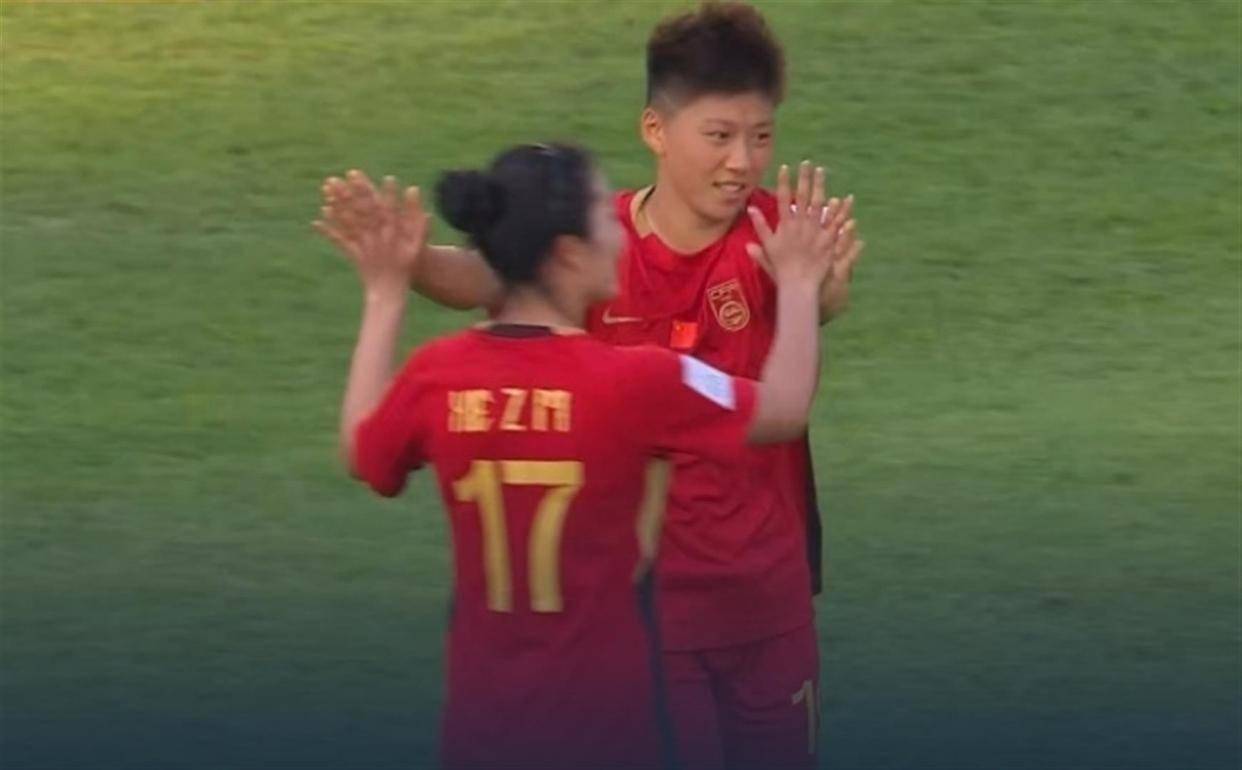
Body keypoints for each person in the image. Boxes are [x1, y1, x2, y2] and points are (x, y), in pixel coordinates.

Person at [319, 5, 864, 767]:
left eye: (762, 137)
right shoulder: (599, 261)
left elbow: (822, 305)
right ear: (656, 131)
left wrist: (821, 288)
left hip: (765, 601)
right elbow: (488, 275)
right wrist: (411, 262)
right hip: (655, 618)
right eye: (719, 136)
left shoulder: (777, 236)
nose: (742, 161)